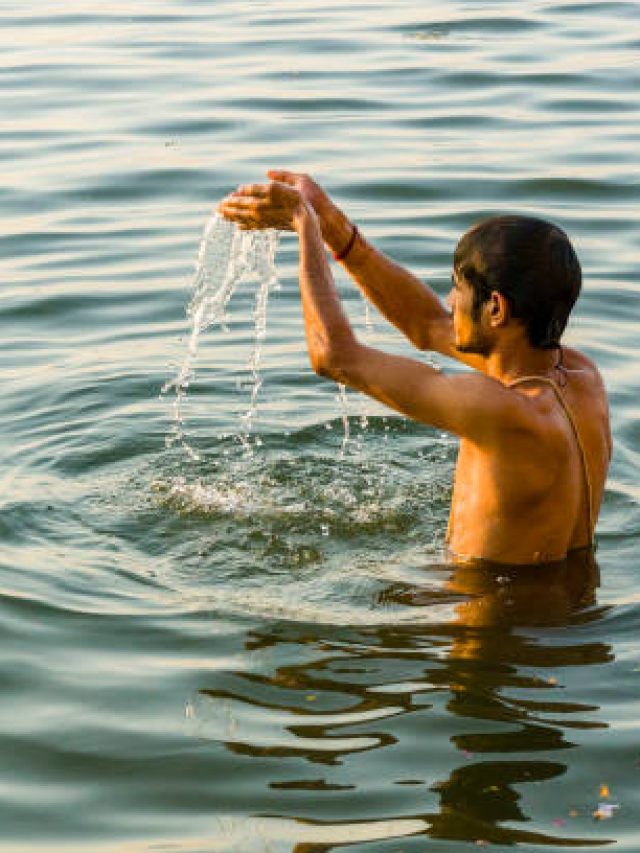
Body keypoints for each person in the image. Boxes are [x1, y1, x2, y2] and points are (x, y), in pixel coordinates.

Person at [219, 171, 611, 565]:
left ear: (496, 308)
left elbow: (333, 356)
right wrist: (332, 226)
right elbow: (428, 325)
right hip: (567, 607)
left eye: (458, 287)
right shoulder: (583, 379)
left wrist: (303, 226)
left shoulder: (500, 411)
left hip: (486, 621)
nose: (450, 301)